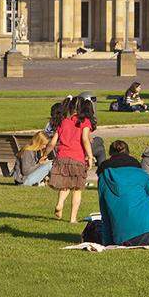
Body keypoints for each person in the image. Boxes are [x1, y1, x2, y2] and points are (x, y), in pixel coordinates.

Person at [49, 95, 95, 223]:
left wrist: (44, 154)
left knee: (64, 186)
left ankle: (60, 203)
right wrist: (90, 156)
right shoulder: (84, 121)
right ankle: (73, 218)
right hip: (77, 158)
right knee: (77, 189)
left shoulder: (63, 121)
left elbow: (53, 142)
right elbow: (85, 139)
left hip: (62, 157)